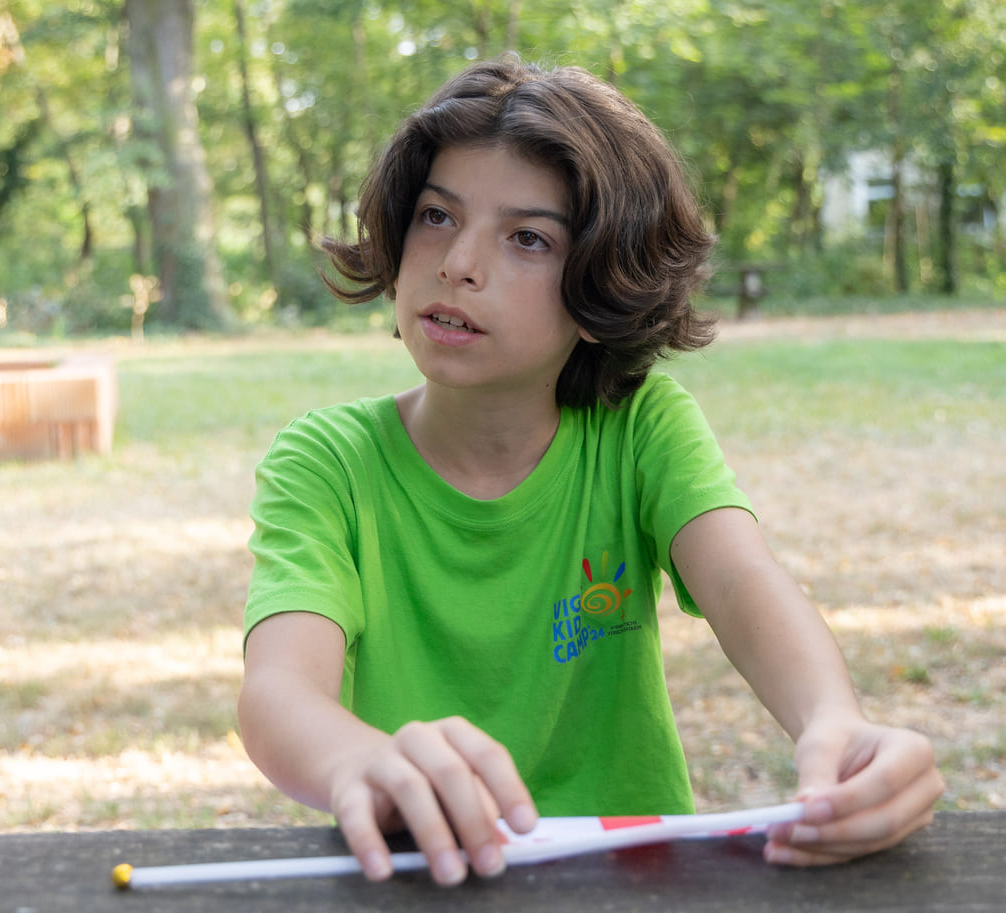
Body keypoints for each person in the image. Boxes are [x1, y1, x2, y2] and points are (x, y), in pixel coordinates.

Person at [236, 55, 944, 887]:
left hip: (631, 878)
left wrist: (836, 722)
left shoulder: (641, 428)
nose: (459, 262)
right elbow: (278, 691)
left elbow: (746, 584)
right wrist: (360, 761)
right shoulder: (326, 462)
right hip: (430, 876)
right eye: (436, 215)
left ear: (607, 282)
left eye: (528, 237)